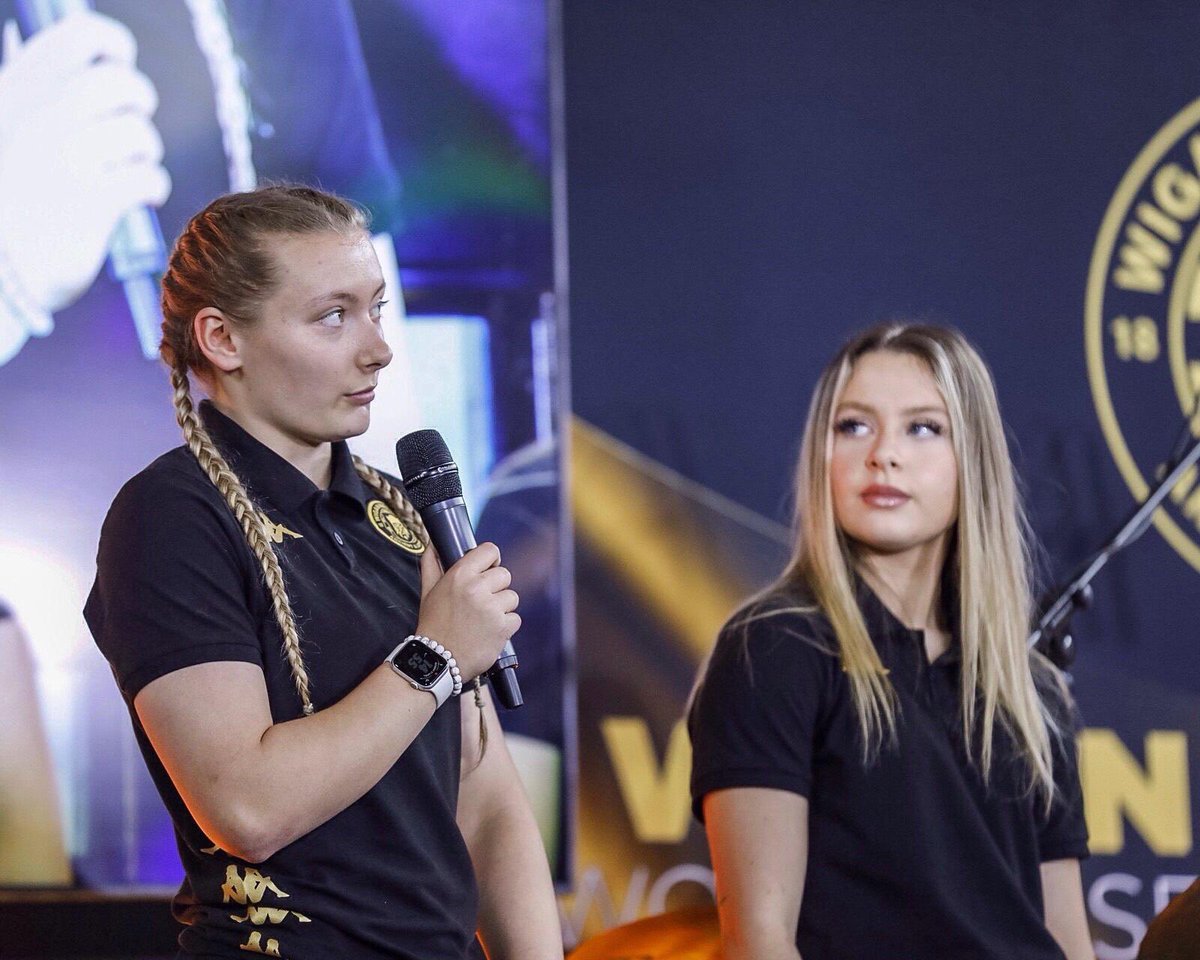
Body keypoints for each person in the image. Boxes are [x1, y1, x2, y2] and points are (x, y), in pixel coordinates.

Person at [84, 184, 561, 959]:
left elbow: (485, 802)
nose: (377, 348)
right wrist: (437, 655)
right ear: (222, 338)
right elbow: (247, 808)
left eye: (377, 308)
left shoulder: (402, 513)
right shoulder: (172, 515)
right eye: (333, 316)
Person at [688, 323, 1093, 960]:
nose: (884, 454)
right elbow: (759, 939)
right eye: (854, 426)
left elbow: (1067, 940)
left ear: (974, 458)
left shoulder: (1030, 687)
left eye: (923, 428)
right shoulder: (775, 647)